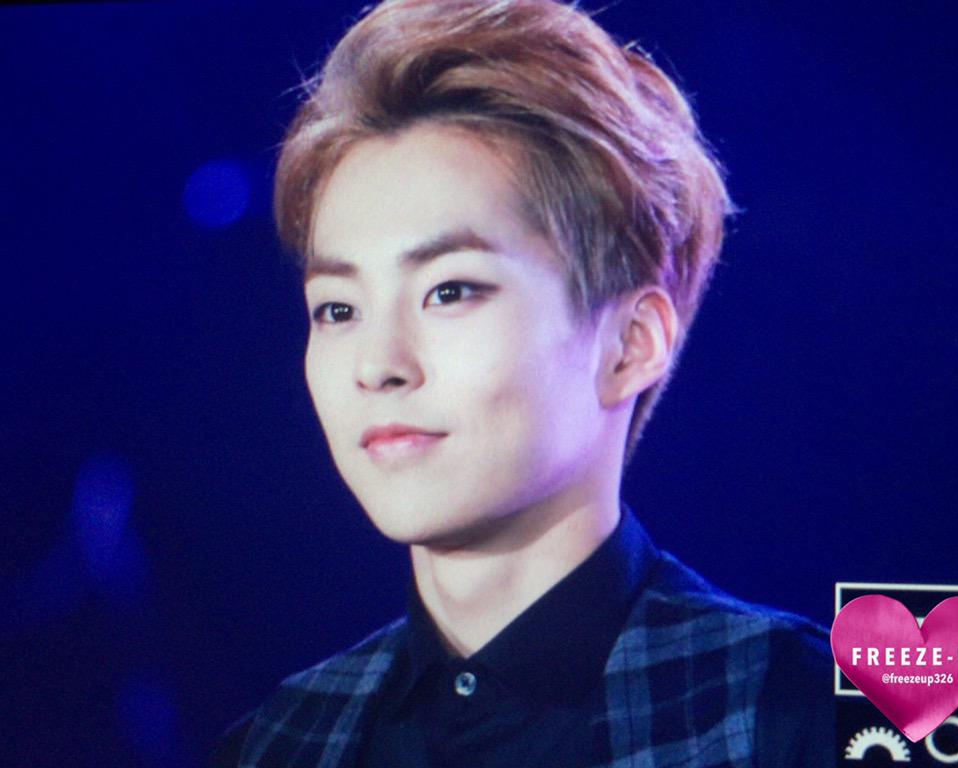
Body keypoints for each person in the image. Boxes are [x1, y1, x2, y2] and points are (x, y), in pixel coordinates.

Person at [212, 0, 835, 765]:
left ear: (630, 345)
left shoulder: (797, 717)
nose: (377, 365)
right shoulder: (279, 743)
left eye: (450, 291)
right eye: (338, 309)